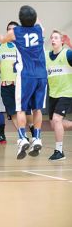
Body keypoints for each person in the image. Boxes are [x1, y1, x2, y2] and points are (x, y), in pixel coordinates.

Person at [0, 5, 47, 159]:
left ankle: (22, 138)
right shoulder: (39, 29)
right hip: (41, 75)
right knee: (37, 109)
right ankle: (37, 137)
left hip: (25, 75)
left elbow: (2, 40)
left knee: (20, 109)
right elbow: (38, 21)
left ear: (20, 20)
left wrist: (0, 37)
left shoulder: (15, 32)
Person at [0, 21, 34, 142]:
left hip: (21, 84)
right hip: (6, 85)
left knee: (26, 111)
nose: (11, 31)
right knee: (12, 113)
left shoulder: (24, 46)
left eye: (14, 29)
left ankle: (33, 131)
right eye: (9, 29)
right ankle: (23, 136)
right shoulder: (1, 47)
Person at [46, 30, 72, 161]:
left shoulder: (67, 53)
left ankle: (59, 151)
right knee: (55, 124)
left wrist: (70, 43)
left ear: (62, 41)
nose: (53, 39)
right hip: (53, 94)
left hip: (66, 93)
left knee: (57, 120)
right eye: (52, 38)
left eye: (56, 37)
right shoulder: (46, 56)